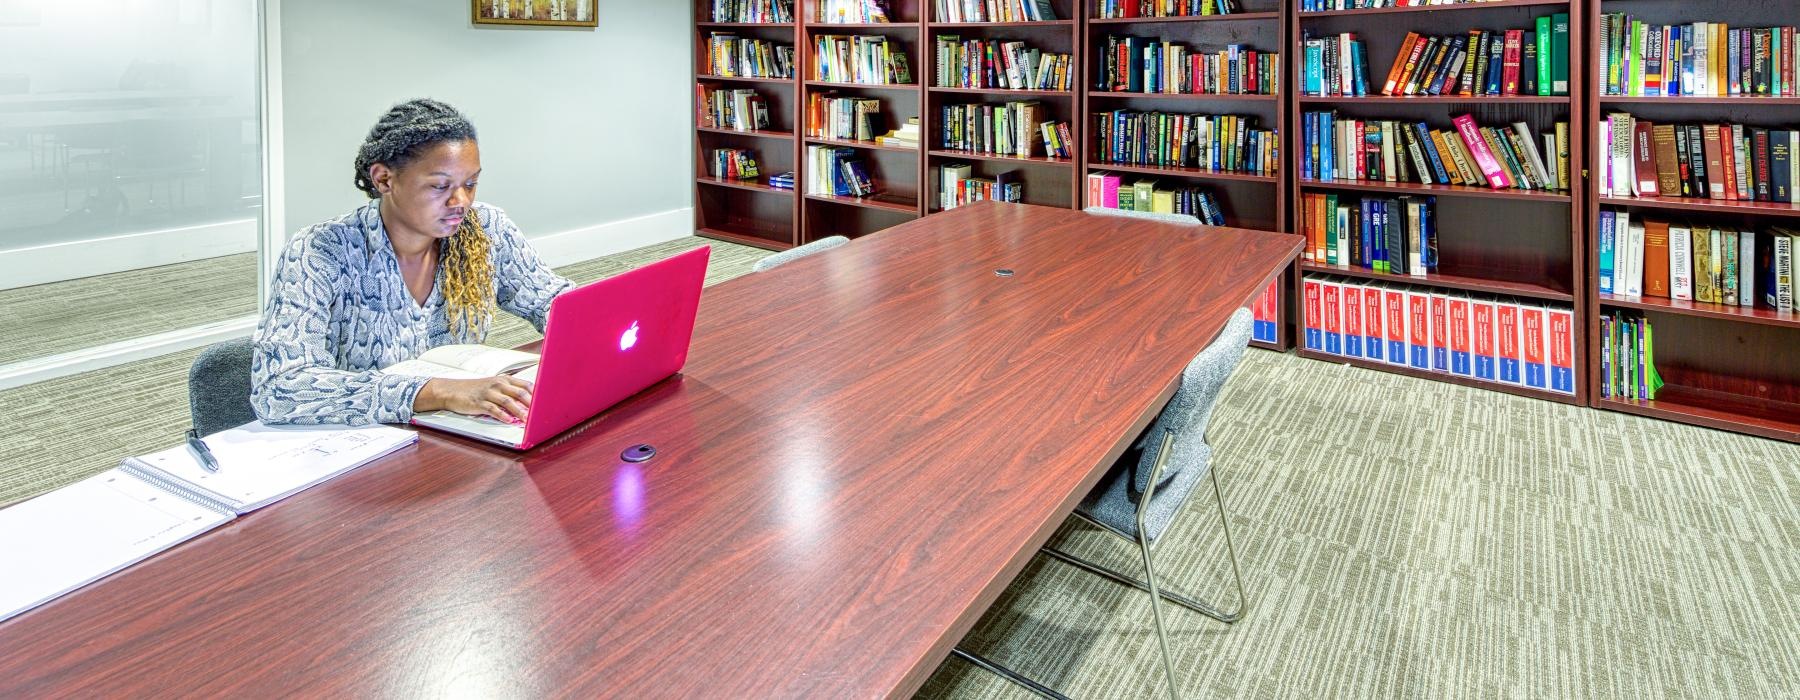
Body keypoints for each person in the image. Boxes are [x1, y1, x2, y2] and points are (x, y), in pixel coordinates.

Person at [251, 98, 573, 427]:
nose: (461, 201)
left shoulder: (486, 228)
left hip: (458, 431)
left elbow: (556, 303)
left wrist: (590, 333)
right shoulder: (320, 250)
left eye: (470, 184)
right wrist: (438, 392)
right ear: (383, 180)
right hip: (361, 439)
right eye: (440, 186)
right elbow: (278, 388)